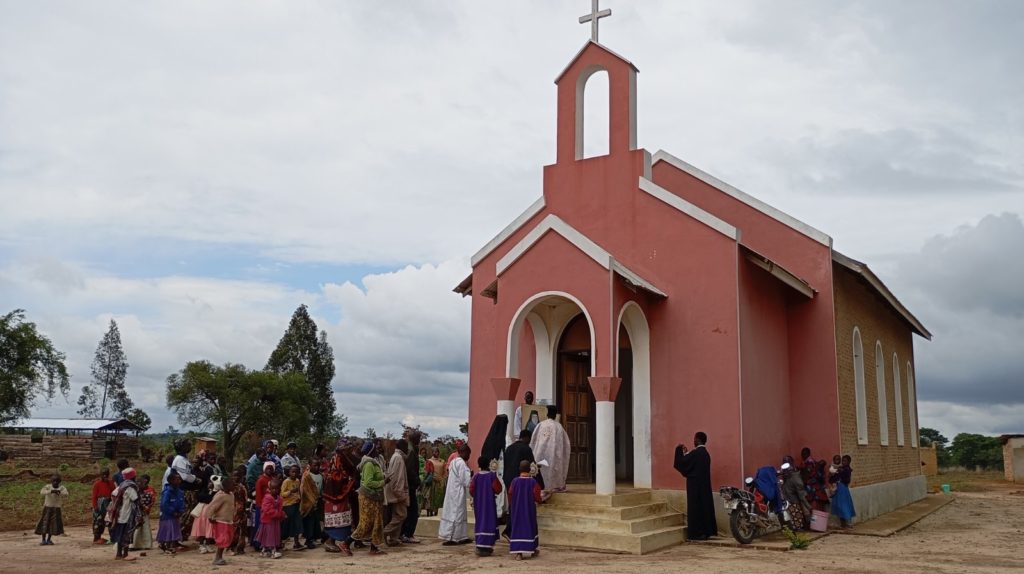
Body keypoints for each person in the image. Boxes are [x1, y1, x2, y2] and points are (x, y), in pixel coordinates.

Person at [673, 432, 718, 541]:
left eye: (694, 439)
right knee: (704, 508)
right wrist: (687, 452)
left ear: (697, 440)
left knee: (696, 508)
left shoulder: (696, 453)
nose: (693, 441)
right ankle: (706, 531)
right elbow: (693, 462)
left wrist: (679, 450)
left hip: (695, 487)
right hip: (704, 487)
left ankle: (696, 533)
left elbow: (683, 463)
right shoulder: (706, 454)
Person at [351, 440, 387, 555]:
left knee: (376, 522)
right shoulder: (369, 464)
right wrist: (383, 482)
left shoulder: (372, 462)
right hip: (368, 497)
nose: (377, 450)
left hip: (374, 497)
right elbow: (368, 482)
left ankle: (374, 547)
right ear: (371, 451)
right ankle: (346, 543)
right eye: (375, 448)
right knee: (365, 523)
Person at [322, 444, 356, 555]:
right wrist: (348, 479)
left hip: (341, 498)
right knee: (336, 520)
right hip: (335, 498)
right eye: (347, 450)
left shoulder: (342, 462)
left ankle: (334, 541)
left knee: (343, 519)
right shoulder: (334, 472)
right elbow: (342, 478)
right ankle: (330, 541)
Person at [529, 405, 571, 495]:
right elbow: (566, 444)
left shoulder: (541, 425)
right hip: (554, 456)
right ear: (555, 415)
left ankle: (541, 487)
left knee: (541, 471)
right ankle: (554, 486)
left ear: (547, 414)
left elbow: (533, 440)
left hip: (540, 455)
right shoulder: (559, 427)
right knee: (552, 471)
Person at [507, 460, 542, 560]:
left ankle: (519, 553)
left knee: (517, 528)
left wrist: (512, 505)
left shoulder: (514, 481)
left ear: (519, 469)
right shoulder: (533, 482)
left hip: (517, 510)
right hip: (529, 510)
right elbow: (537, 496)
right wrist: (539, 501)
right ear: (530, 470)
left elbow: (510, 494)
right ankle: (533, 549)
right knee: (531, 527)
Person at [438, 443, 472, 545]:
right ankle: (453, 537)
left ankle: (461, 536)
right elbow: (465, 481)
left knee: (454, 512)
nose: (469, 457)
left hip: (451, 491)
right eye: (468, 454)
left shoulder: (453, 461)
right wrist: (471, 476)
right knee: (457, 513)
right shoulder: (461, 463)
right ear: (463, 452)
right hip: (458, 492)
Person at [471, 455, 502, 556]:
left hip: (479, 504)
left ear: (479, 465)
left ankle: (480, 546)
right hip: (489, 504)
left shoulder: (476, 476)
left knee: (480, 522)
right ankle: (488, 546)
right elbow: (498, 489)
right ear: (488, 464)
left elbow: (471, 490)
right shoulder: (492, 476)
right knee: (490, 522)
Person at [109, 467, 141, 561]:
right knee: (127, 534)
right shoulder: (130, 487)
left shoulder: (121, 485)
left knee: (120, 534)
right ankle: (125, 554)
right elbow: (135, 499)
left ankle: (118, 554)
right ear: (133, 477)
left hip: (119, 515)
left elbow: (113, 494)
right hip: (127, 515)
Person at [383, 438, 410, 547]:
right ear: (402, 446)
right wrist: (400, 493)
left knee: (396, 514)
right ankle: (385, 532)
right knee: (401, 515)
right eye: (406, 446)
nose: (407, 448)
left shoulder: (395, 456)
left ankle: (393, 538)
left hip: (393, 491)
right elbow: (398, 478)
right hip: (398, 492)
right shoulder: (399, 458)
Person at [205, 474, 237, 566]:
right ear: (226, 486)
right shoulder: (220, 496)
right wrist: (210, 517)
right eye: (232, 485)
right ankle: (217, 558)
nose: (234, 486)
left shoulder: (231, 494)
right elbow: (212, 507)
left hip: (229, 521)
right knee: (223, 539)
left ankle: (220, 556)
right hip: (221, 521)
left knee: (228, 538)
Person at [190, 452, 216, 552]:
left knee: (210, 527)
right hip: (203, 509)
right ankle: (201, 544)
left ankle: (208, 543)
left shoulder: (214, 490)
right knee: (201, 527)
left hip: (210, 510)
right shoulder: (203, 490)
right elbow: (201, 497)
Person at [401, 431, 422, 544]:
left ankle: (406, 533)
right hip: (410, 486)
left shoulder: (412, 449)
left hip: (410, 485)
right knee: (413, 511)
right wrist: (417, 481)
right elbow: (410, 470)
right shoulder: (411, 451)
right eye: (419, 438)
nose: (420, 441)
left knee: (410, 510)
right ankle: (407, 534)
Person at [157, 471, 186, 554]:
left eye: (179, 479)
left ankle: (170, 546)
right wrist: (172, 512)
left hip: (176, 515)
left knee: (174, 531)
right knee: (168, 531)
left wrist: (181, 511)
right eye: (177, 479)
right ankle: (166, 545)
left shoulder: (180, 492)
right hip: (167, 516)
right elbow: (164, 505)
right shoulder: (167, 492)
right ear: (171, 481)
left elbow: (182, 502)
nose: (179, 481)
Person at [36, 474, 69, 545]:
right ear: (51, 481)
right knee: (45, 523)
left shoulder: (61, 488)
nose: (55, 482)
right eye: (54, 481)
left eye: (57, 481)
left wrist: (59, 492)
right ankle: (43, 539)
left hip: (56, 508)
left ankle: (49, 539)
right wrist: (51, 491)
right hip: (47, 508)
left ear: (60, 482)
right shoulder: (48, 487)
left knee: (53, 525)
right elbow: (42, 492)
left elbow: (66, 493)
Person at [255, 478, 285, 559]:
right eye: (273, 489)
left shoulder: (279, 498)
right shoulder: (267, 498)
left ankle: (265, 551)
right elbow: (267, 510)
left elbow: (280, 508)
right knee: (270, 536)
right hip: (268, 521)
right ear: (269, 489)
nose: (275, 490)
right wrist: (279, 514)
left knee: (273, 535)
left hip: (275, 521)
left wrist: (282, 515)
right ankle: (272, 551)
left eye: (277, 488)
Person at [300, 457, 324, 549]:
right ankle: (308, 539)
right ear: (310, 466)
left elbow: (321, 490)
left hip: (316, 502)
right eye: (315, 465)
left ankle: (314, 537)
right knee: (308, 522)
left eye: (318, 465)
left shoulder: (321, 476)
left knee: (315, 521)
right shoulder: (306, 476)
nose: (317, 467)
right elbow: (304, 490)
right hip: (308, 503)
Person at [781, 457, 811, 530]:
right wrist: (809, 507)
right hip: (791, 498)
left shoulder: (791, 473)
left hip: (788, 497)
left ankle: (798, 526)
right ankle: (799, 527)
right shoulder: (795, 477)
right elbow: (801, 496)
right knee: (797, 513)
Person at [252, 460, 276, 550]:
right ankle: (257, 544)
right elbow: (259, 495)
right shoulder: (261, 480)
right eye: (267, 468)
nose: (269, 470)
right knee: (260, 525)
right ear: (264, 469)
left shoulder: (273, 479)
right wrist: (261, 506)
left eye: (271, 468)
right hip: (262, 506)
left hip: (271, 506)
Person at [281, 464, 305, 550]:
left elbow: (298, 492)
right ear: (289, 472)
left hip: (296, 505)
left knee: (297, 524)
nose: (294, 474)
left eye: (296, 472)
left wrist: (299, 498)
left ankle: (296, 542)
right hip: (288, 506)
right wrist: (290, 491)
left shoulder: (298, 481)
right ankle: (282, 542)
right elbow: (282, 494)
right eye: (293, 472)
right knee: (287, 525)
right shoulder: (286, 482)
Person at [130, 474, 156, 550]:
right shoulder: (134, 492)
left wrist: (145, 508)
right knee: (136, 530)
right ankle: (134, 544)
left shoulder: (149, 492)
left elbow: (151, 501)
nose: (139, 484)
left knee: (144, 529)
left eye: (141, 483)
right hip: (136, 514)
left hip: (143, 513)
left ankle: (145, 544)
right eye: (137, 482)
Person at [830, 455, 856, 529]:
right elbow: (832, 477)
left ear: (848, 462)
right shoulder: (840, 468)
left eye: (845, 461)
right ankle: (843, 524)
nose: (843, 462)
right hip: (838, 488)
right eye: (843, 461)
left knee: (845, 506)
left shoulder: (847, 470)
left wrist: (842, 472)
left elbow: (847, 480)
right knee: (839, 507)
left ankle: (849, 523)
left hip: (843, 489)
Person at [91, 467, 115, 544]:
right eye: (103, 474)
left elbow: (113, 493)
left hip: (108, 503)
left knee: (109, 521)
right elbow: (94, 496)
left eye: (106, 474)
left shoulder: (111, 483)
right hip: (100, 504)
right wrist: (95, 506)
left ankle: (113, 537)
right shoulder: (97, 484)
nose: (105, 476)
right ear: (100, 475)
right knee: (98, 521)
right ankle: (97, 537)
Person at [801, 447, 829, 511]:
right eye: (802, 454)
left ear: (808, 454)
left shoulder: (809, 463)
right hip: (815, 489)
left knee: (815, 508)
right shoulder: (807, 462)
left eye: (804, 454)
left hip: (813, 489)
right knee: (817, 508)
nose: (803, 456)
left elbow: (808, 475)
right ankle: (818, 520)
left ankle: (817, 520)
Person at [229, 465, 249, 555]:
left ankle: (240, 547)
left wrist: (246, 509)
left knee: (243, 530)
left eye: (237, 476)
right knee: (234, 530)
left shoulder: (243, 487)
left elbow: (245, 499)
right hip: (232, 510)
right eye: (234, 475)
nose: (235, 477)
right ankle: (231, 547)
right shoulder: (229, 488)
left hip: (242, 510)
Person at [423, 447, 446, 517]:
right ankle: (429, 513)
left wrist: (443, 480)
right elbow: (426, 471)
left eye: (437, 452)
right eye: (434, 452)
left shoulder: (442, 461)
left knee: (438, 498)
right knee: (429, 497)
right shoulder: (429, 461)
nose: (435, 453)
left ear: (439, 452)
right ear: (432, 452)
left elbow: (444, 472)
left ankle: (436, 512)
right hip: (431, 482)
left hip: (440, 482)